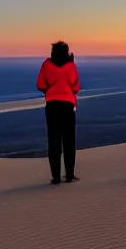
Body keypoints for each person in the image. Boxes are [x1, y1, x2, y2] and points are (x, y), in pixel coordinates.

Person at [36, 41, 81, 184]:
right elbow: (76, 87)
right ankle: (69, 175)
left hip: (52, 106)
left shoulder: (46, 65)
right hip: (68, 106)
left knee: (53, 141)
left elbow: (40, 84)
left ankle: (55, 177)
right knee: (69, 141)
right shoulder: (71, 66)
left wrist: (50, 92)